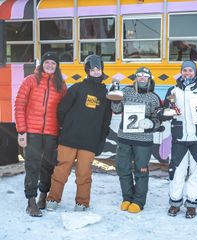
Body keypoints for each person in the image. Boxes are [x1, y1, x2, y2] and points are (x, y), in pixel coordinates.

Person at [46, 54, 112, 211]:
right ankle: (53, 198)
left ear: (102, 70)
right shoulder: (77, 88)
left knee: (84, 174)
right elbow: (62, 109)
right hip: (69, 138)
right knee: (61, 170)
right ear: (87, 71)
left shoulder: (106, 94)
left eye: (99, 69)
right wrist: (65, 128)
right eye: (93, 69)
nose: (96, 72)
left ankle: (82, 202)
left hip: (89, 142)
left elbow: (105, 121)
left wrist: (101, 140)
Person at [160, 60, 197, 219]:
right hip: (179, 138)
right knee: (176, 171)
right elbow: (165, 112)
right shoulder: (172, 90)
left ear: (195, 72)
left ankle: (192, 204)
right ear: (181, 72)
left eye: (190, 70)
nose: (187, 73)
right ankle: (175, 202)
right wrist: (166, 112)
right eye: (184, 70)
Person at [14, 52, 67, 217]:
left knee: (48, 166)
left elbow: (64, 109)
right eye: (47, 62)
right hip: (32, 132)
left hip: (52, 132)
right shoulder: (30, 80)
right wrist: (21, 131)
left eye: (53, 63)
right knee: (32, 166)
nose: (50, 65)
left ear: (57, 66)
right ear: (42, 64)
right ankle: (31, 201)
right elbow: (19, 105)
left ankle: (43, 195)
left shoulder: (61, 85)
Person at [111, 67, 163, 213]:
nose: (142, 78)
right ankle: (127, 197)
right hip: (124, 138)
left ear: (149, 79)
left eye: (145, 76)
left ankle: (139, 201)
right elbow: (116, 110)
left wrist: (152, 124)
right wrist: (114, 96)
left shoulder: (153, 97)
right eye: (139, 75)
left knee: (141, 170)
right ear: (135, 78)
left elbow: (158, 119)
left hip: (143, 140)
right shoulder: (126, 92)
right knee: (123, 168)